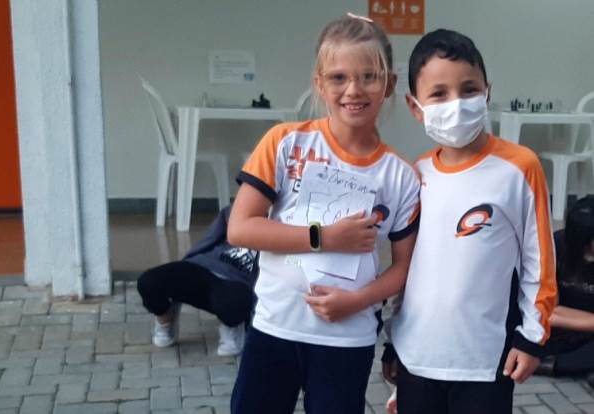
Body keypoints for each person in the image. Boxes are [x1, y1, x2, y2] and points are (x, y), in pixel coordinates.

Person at [227, 13, 420, 414]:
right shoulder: (285, 142)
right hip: (276, 325)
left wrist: (359, 300)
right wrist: (323, 237)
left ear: (389, 84)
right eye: (338, 78)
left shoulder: (400, 175)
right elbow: (240, 228)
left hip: (347, 336)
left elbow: (405, 267)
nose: (354, 89)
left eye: (369, 76)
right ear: (319, 83)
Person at [387, 29, 557, 414]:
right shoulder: (417, 173)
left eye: (469, 90)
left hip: (485, 362)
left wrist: (531, 338)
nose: (457, 104)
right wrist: (394, 346)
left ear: (487, 92)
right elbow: (408, 267)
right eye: (439, 94)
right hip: (417, 358)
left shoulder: (520, 168)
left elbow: (539, 263)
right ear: (415, 106)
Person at [137, 205, 258, 356]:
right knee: (149, 282)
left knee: (231, 301)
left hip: (237, 280)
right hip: (203, 265)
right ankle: (166, 318)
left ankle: (233, 328)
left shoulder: (281, 223)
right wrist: (184, 266)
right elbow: (210, 238)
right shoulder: (241, 206)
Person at [537, 196, 594, 388]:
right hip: (559, 330)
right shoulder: (555, 247)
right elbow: (548, 311)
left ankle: (554, 365)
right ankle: (567, 364)